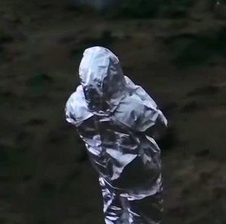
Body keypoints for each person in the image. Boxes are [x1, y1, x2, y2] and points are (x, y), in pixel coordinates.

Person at [65, 46, 168, 224]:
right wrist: (132, 90)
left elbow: (70, 118)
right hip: (140, 174)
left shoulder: (77, 104)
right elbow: (159, 124)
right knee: (144, 216)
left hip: (106, 170)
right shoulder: (131, 109)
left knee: (113, 214)